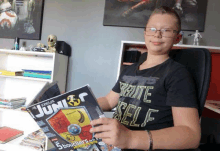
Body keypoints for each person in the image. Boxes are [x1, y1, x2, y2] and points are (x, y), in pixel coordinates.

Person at [90, 6, 201, 151]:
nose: (157, 35)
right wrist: (79, 102)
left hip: (138, 145)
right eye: (152, 29)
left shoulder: (177, 74)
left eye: (166, 30)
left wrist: (129, 138)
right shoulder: (129, 70)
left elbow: (191, 134)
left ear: (177, 38)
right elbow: (109, 101)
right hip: (112, 143)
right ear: (145, 33)